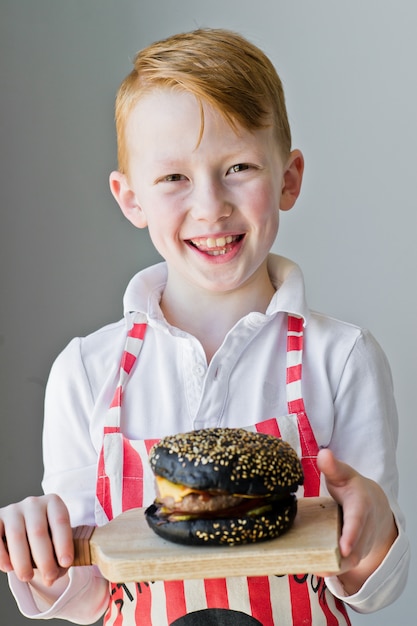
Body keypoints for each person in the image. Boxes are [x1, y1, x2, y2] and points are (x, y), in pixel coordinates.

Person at [0, 28, 409, 625]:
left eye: (238, 166)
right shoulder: (87, 372)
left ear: (289, 178)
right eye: (173, 178)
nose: (210, 206)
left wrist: (372, 535)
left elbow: (372, 590)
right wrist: (45, 556)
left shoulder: (342, 359)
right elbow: (89, 596)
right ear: (130, 197)